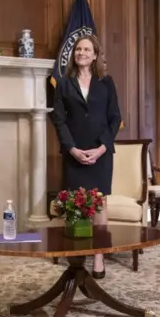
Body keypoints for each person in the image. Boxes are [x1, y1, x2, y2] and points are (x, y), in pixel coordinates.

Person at [50, 35, 121, 279]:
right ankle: (75, 254)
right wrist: (71, 149)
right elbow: (58, 119)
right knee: (74, 203)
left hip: (100, 152)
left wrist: (102, 148)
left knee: (99, 202)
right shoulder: (63, 83)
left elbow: (114, 118)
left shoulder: (106, 82)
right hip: (75, 152)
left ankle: (99, 257)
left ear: (95, 54)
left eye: (86, 49)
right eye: (78, 49)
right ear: (74, 54)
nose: (81, 52)